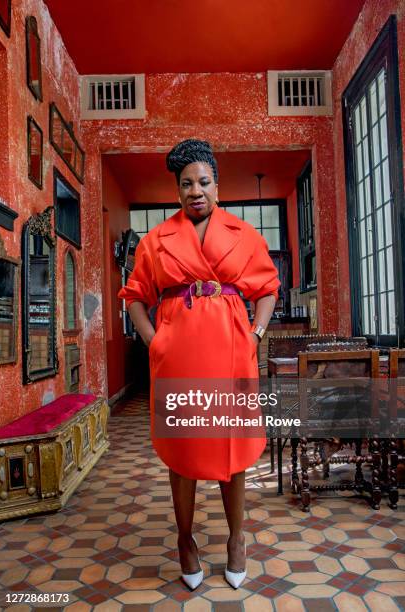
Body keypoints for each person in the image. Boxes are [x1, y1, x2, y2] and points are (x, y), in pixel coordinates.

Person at [118, 139, 280, 589]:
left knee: (235, 449)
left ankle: (236, 539)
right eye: (187, 184)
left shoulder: (243, 235)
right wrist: (155, 343)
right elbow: (133, 298)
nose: (196, 191)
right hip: (179, 357)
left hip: (231, 351)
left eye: (204, 182)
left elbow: (267, 289)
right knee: (183, 451)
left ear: (217, 185)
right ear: (177, 191)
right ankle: (185, 540)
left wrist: (255, 335)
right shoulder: (156, 240)